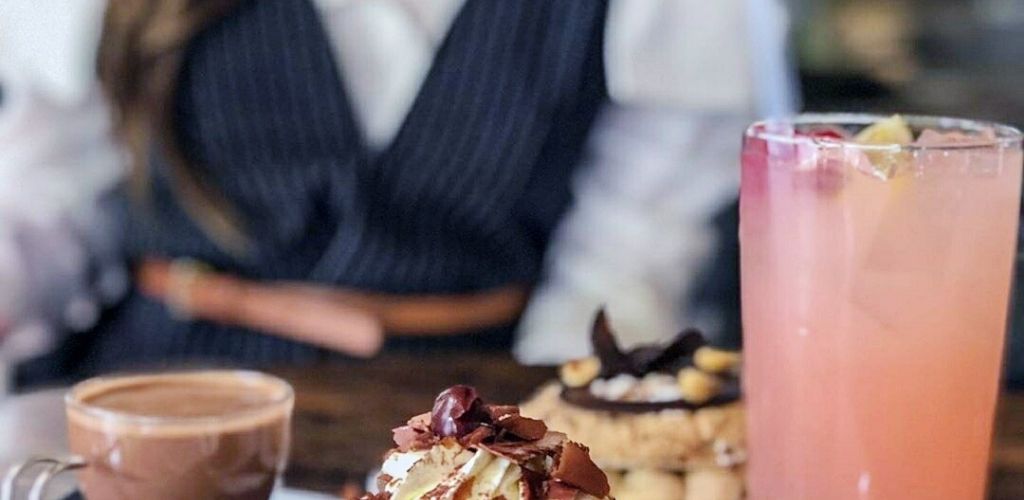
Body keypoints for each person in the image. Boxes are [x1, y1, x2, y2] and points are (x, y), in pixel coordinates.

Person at [0, 0, 795, 389]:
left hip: (470, 396)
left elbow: (629, 251)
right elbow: (48, 207)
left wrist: (538, 436)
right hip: (160, 390)